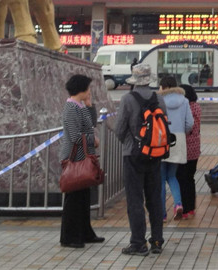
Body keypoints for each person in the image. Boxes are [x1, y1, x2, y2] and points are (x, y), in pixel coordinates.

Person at [115, 63, 167, 255]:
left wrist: (131, 141)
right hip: (155, 154)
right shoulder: (159, 98)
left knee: (135, 199)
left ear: (134, 80)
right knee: (154, 197)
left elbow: (119, 128)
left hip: (133, 155)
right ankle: (157, 241)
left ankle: (138, 242)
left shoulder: (128, 99)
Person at [59, 74, 104, 248]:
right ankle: (69, 237)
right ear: (82, 89)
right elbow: (75, 135)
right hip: (74, 158)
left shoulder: (80, 106)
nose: (90, 91)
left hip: (83, 157)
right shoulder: (71, 108)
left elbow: (90, 124)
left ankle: (85, 232)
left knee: (83, 198)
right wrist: (94, 141)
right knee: (74, 199)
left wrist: (90, 106)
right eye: (88, 88)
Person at [158, 76, 193, 221]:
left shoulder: (159, 101)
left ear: (164, 87)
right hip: (178, 140)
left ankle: (162, 214)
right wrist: (181, 132)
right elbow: (189, 123)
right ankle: (178, 204)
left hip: (161, 140)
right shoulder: (184, 101)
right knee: (172, 176)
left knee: (160, 179)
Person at [176, 84, 201, 219]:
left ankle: (184, 208)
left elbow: (187, 125)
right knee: (190, 178)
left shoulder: (185, 107)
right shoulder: (197, 107)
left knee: (182, 178)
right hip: (195, 147)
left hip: (185, 147)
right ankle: (191, 207)